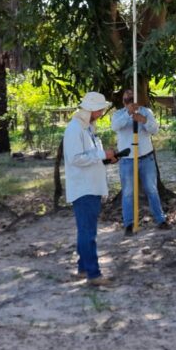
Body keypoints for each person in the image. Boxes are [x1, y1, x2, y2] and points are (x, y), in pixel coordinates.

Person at [63, 91, 117, 286]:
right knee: (88, 233)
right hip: (83, 188)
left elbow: (91, 156)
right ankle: (94, 275)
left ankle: (83, 268)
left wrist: (107, 158)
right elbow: (76, 159)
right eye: (100, 109)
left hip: (91, 186)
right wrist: (102, 155)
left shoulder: (87, 128)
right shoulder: (74, 129)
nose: (102, 112)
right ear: (92, 109)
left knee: (85, 231)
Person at [111, 88, 171, 235]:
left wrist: (143, 120)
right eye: (127, 99)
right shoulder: (118, 114)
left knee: (152, 189)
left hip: (146, 157)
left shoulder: (146, 112)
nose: (130, 102)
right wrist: (128, 113)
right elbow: (115, 127)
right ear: (123, 102)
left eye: (132, 99)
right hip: (127, 160)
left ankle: (160, 220)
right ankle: (129, 224)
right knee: (128, 193)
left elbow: (155, 130)